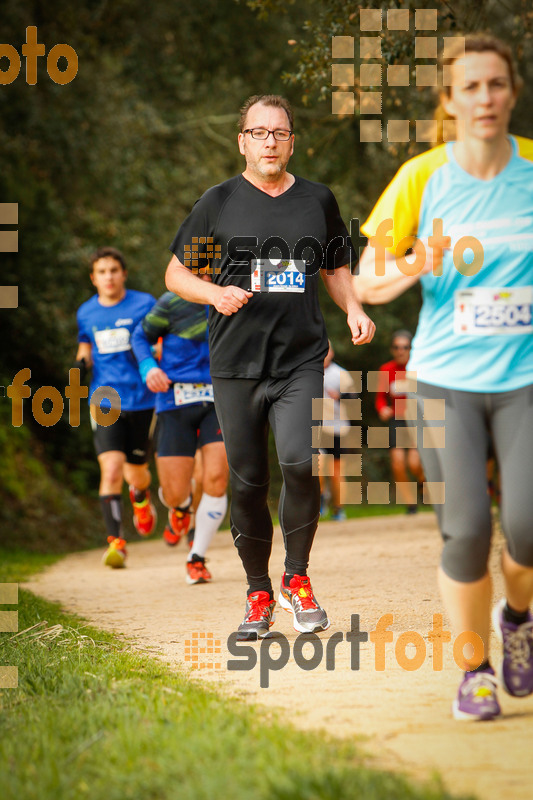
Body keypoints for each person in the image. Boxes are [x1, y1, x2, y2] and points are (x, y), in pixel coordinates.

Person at [356, 34, 533, 720]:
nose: (483, 98)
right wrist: (413, 263)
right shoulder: (420, 177)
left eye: (495, 85)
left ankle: (517, 619)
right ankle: (474, 672)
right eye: (469, 87)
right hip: (444, 381)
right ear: (449, 101)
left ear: (511, 92)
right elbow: (368, 280)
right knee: (462, 529)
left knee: (525, 526)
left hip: (524, 378)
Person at [165, 94, 375, 638]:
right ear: (243, 141)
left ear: (290, 140)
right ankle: (258, 593)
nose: (269, 142)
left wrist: (353, 307)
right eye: (258, 133)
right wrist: (214, 294)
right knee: (247, 481)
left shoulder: (318, 199)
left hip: (301, 358)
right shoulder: (218, 201)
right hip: (235, 363)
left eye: (278, 133)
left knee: (301, 462)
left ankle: (296, 579)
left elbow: (334, 266)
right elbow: (174, 275)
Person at [131, 291, 228, 584]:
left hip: (219, 398)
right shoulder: (172, 301)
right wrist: (149, 367)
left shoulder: (233, 294)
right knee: (175, 492)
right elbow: (139, 338)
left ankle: (196, 557)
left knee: (216, 478)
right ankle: (181, 507)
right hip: (174, 400)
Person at [75, 247, 157, 568]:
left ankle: (140, 495)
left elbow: (158, 339)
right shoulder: (86, 313)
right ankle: (116, 543)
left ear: (123, 274)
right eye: (102, 272)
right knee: (110, 469)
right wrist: (79, 364)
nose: (108, 276)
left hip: (142, 398)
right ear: (93, 278)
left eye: (113, 270)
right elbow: (85, 345)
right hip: (105, 399)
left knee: (137, 473)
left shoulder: (144, 304)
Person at [374, 330, 424, 513]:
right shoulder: (386, 370)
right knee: (397, 462)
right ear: (392, 349)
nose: (400, 351)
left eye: (405, 347)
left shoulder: (419, 368)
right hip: (397, 419)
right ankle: (410, 502)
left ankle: (423, 482)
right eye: (396, 347)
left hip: (417, 419)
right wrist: (382, 409)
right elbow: (380, 398)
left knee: (414, 463)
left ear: (411, 349)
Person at [319, 340, 360, 521]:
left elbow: (354, 400)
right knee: (317, 466)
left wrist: (341, 396)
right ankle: (321, 498)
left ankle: (338, 508)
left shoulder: (340, 374)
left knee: (337, 471)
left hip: (338, 428)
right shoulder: (308, 373)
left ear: (332, 352)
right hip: (317, 427)